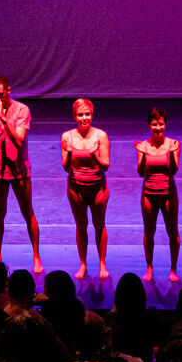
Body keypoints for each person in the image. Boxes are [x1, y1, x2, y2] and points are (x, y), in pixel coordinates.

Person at [0, 76, 44, 273]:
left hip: (19, 170)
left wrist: (3, 116)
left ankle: (36, 256)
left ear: (8, 90)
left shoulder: (22, 110)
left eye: (0, 93)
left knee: (27, 212)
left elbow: (18, 139)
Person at [60, 98, 111, 281]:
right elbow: (66, 167)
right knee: (81, 226)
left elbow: (105, 165)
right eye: (80, 115)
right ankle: (83, 263)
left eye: (87, 114)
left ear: (92, 115)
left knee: (99, 225)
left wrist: (94, 156)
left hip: (98, 188)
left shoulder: (100, 136)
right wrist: (68, 153)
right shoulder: (67, 137)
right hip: (76, 188)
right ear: (75, 116)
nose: (84, 118)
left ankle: (102, 263)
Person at [135, 107, 181, 284]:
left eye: (161, 124)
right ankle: (149, 266)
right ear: (149, 125)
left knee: (172, 231)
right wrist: (142, 155)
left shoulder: (174, 144)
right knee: (149, 231)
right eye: (154, 124)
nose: (158, 128)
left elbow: (174, 171)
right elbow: (140, 173)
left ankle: (173, 268)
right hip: (148, 193)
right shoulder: (143, 146)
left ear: (165, 124)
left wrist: (170, 154)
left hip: (168, 192)